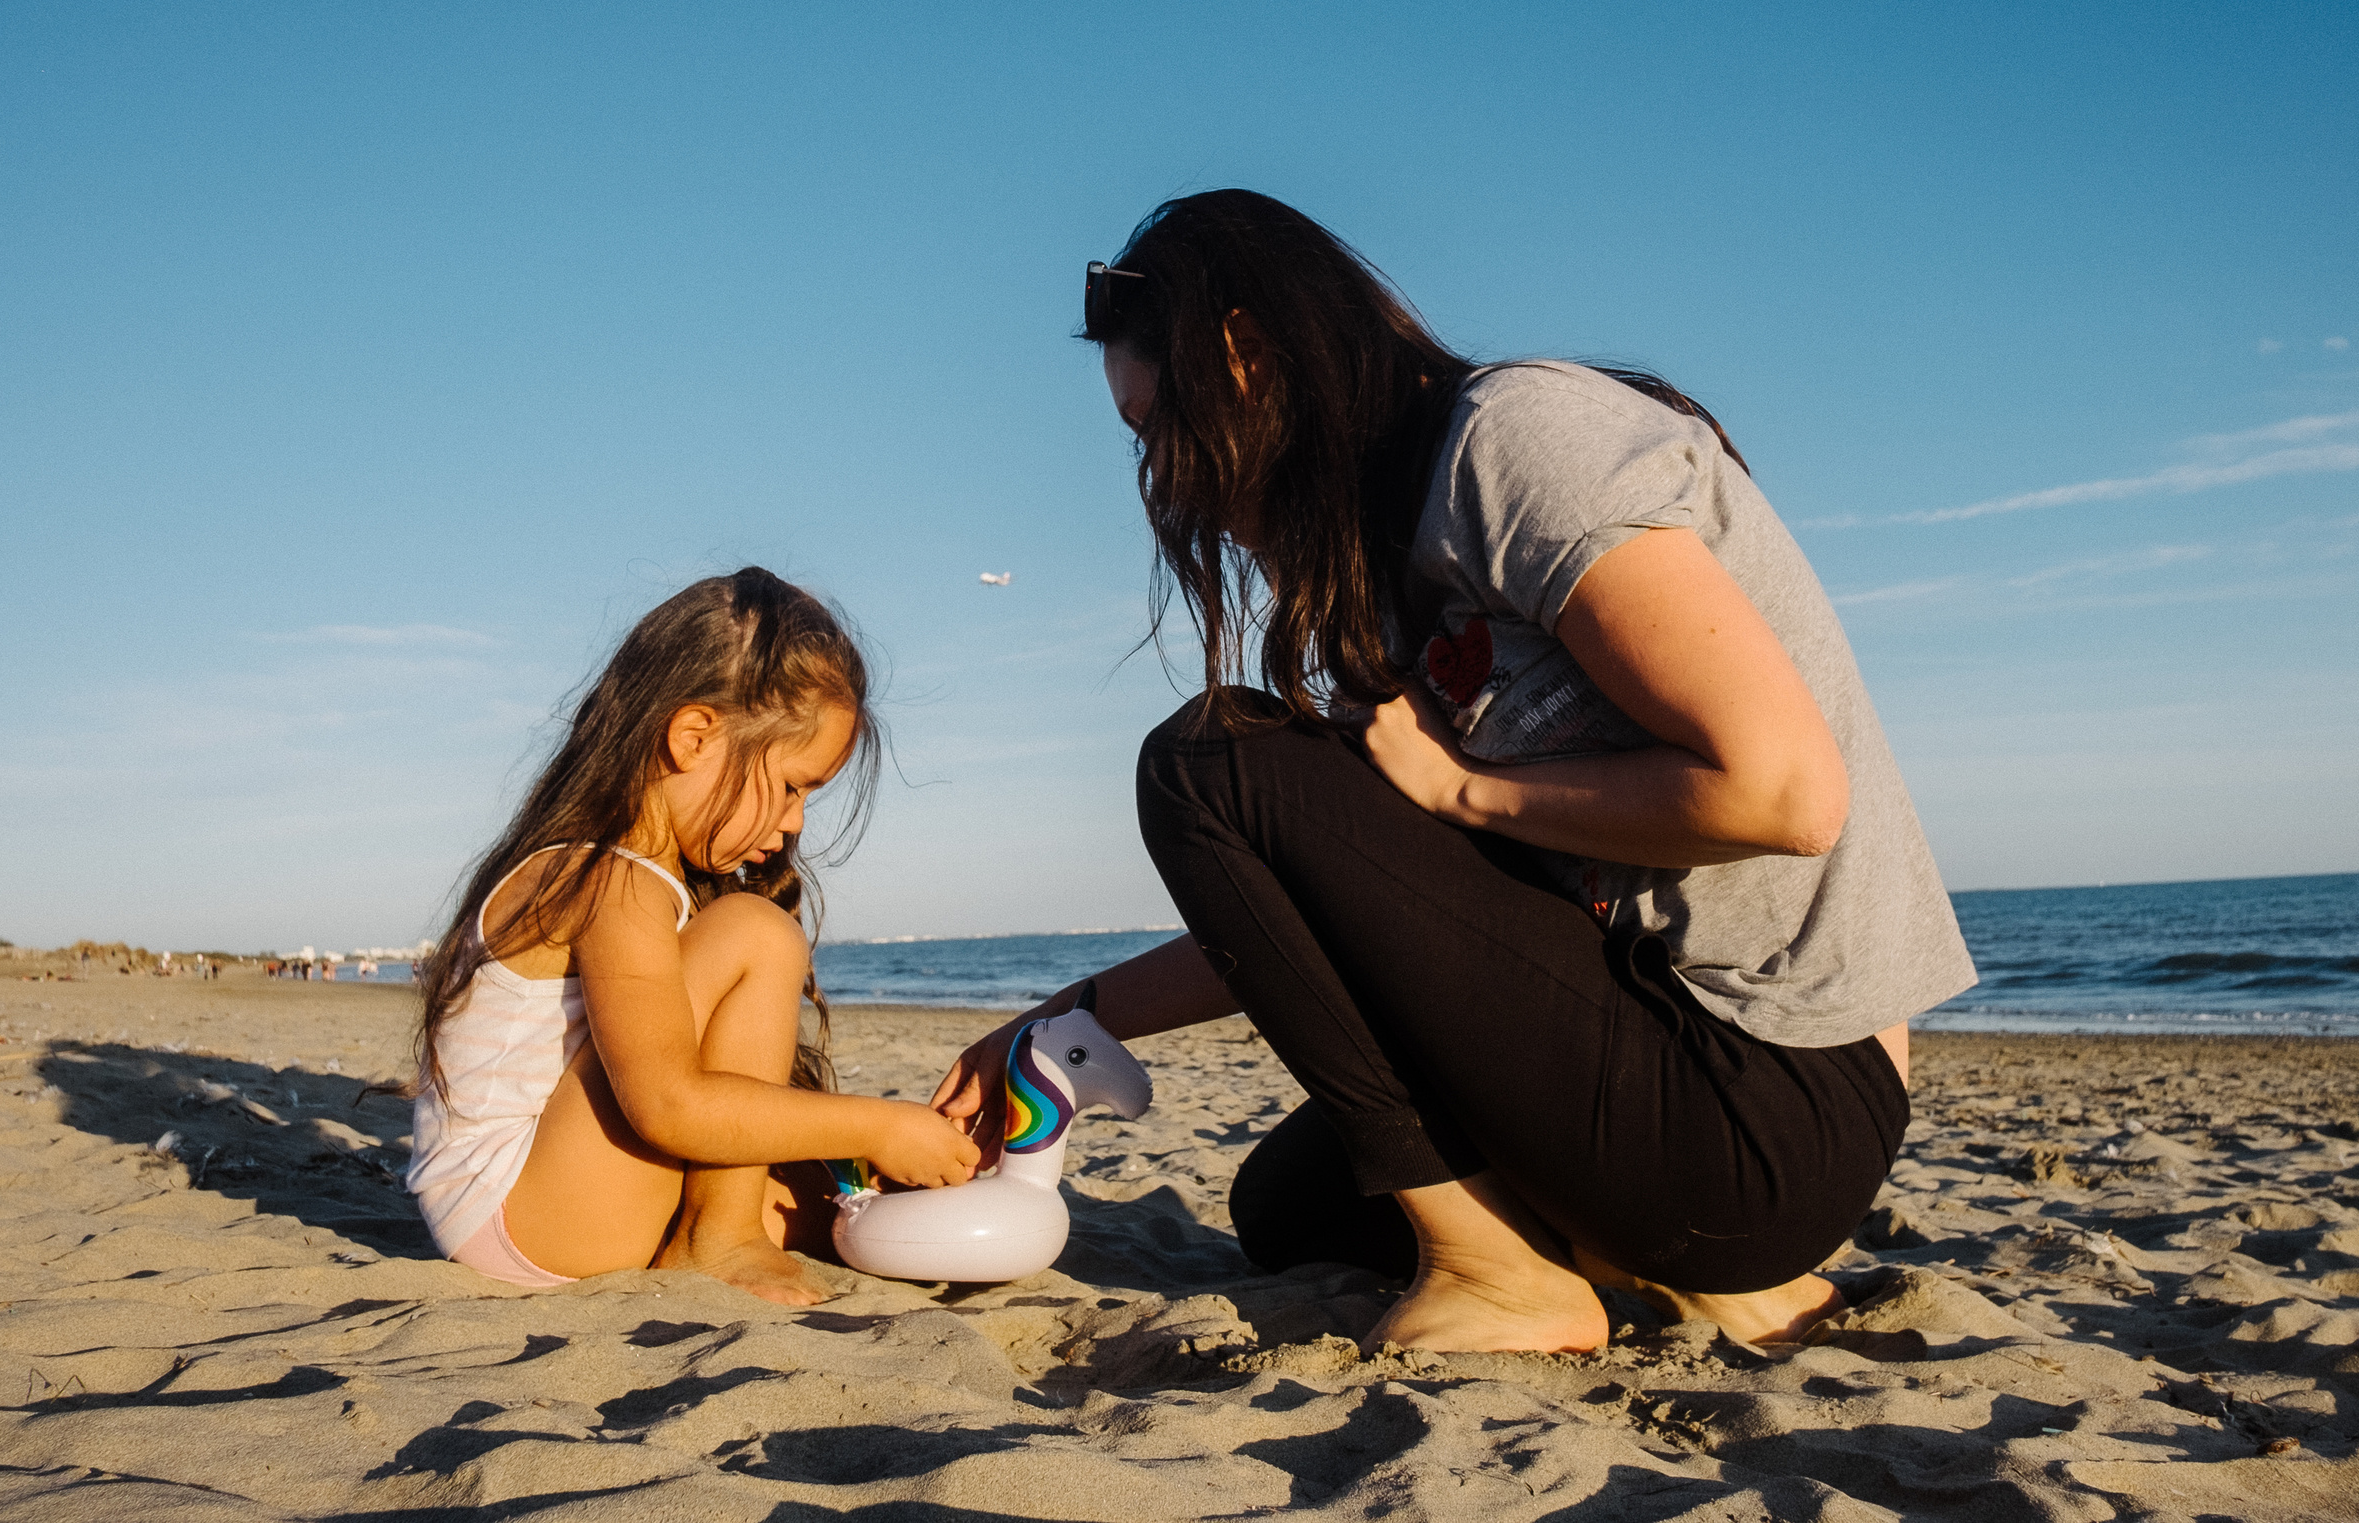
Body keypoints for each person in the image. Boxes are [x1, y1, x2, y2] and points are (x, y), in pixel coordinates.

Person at [934, 191, 1974, 1353]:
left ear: (1245, 354)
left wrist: (1463, 791)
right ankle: (1702, 1282)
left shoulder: (1517, 439)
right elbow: (1329, 904)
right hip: (1650, 1055)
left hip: (1772, 1095)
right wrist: (1057, 1021)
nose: (1169, 486)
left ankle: (1514, 1279)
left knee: (1206, 758)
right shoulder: (1371, 578)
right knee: (1294, 1210)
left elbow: (1782, 795)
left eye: (1160, 433)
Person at [405, 568, 980, 1302]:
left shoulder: (640, 879)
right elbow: (669, 1104)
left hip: (546, 1204)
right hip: (526, 1213)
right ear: (693, 735)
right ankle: (719, 1239)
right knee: (756, 932)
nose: (796, 821)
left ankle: (738, 1226)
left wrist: (879, 1151)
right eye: (794, 785)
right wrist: (877, 1125)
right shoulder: (608, 879)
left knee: (831, 1204)